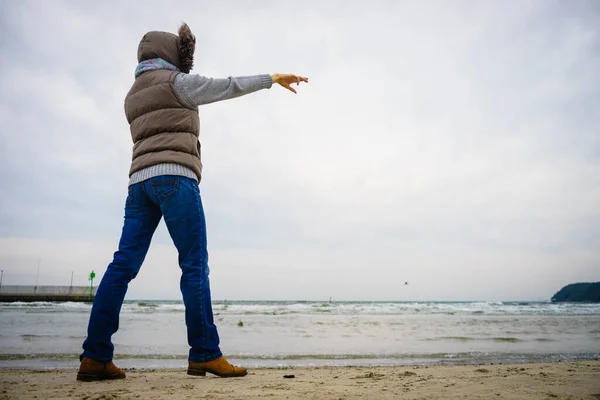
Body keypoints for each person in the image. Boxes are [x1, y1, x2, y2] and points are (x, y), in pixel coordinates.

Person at [76, 22, 308, 382]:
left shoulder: (131, 95)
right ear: (171, 54)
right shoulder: (177, 83)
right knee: (195, 266)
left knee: (122, 265)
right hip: (176, 179)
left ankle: (94, 356)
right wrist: (271, 78)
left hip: (139, 185)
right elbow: (226, 86)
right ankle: (204, 354)